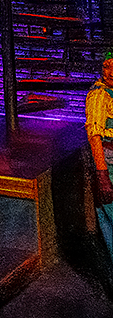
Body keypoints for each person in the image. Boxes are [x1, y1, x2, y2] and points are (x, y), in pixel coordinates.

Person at [88, 53, 113, 265]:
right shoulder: (99, 95)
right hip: (109, 166)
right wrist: (102, 175)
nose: (111, 72)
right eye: (106, 66)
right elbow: (94, 136)